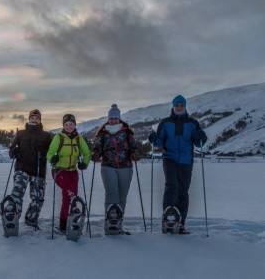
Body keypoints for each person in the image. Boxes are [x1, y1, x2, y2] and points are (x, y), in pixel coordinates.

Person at [148, 95, 207, 234]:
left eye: (181, 105)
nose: (179, 107)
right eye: (177, 105)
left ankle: (180, 223)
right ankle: (169, 220)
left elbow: (198, 143)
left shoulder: (192, 123)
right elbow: (159, 142)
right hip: (170, 158)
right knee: (171, 186)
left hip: (186, 161)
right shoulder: (166, 123)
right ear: (173, 107)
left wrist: (202, 138)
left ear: (185, 107)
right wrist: (153, 139)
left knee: (183, 191)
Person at [91, 104, 139, 232]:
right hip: (108, 166)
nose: (113, 120)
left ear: (119, 118)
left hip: (126, 167)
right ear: (108, 119)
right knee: (112, 194)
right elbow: (97, 148)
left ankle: (119, 224)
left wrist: (134, 153)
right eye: (111, 118)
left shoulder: (127, 132)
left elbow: (133, 146)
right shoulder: (103, 133)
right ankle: (110, 224)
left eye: (115, 118)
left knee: (122, 196)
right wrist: (95, 154)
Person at [8, 109, 52, 228]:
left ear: (40, 120)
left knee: (38, 198)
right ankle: (12, 219)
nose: (34, 119)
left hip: (38, 170)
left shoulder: (47, 135)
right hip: (22, 168)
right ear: (29, 119)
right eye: (32, 118)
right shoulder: (20, 133)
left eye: (37, 118)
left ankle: (31, 220)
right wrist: (14, 151)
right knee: (17, 194)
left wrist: (49, 156)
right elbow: (11, 150)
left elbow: (51, 152)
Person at [47, 114, 91, 233]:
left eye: (71, 124)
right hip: (58, 170)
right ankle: (73, 216)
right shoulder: (58, 137)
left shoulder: (78, 138)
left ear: (74, 125)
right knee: (69, 192)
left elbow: (87, 153)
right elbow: (49, 153)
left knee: (70, 196)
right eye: (66, 124)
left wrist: (85, 163)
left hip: (73, 171)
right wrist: (52, 159)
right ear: (63, 125)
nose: (68, 126)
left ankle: (63, 225)